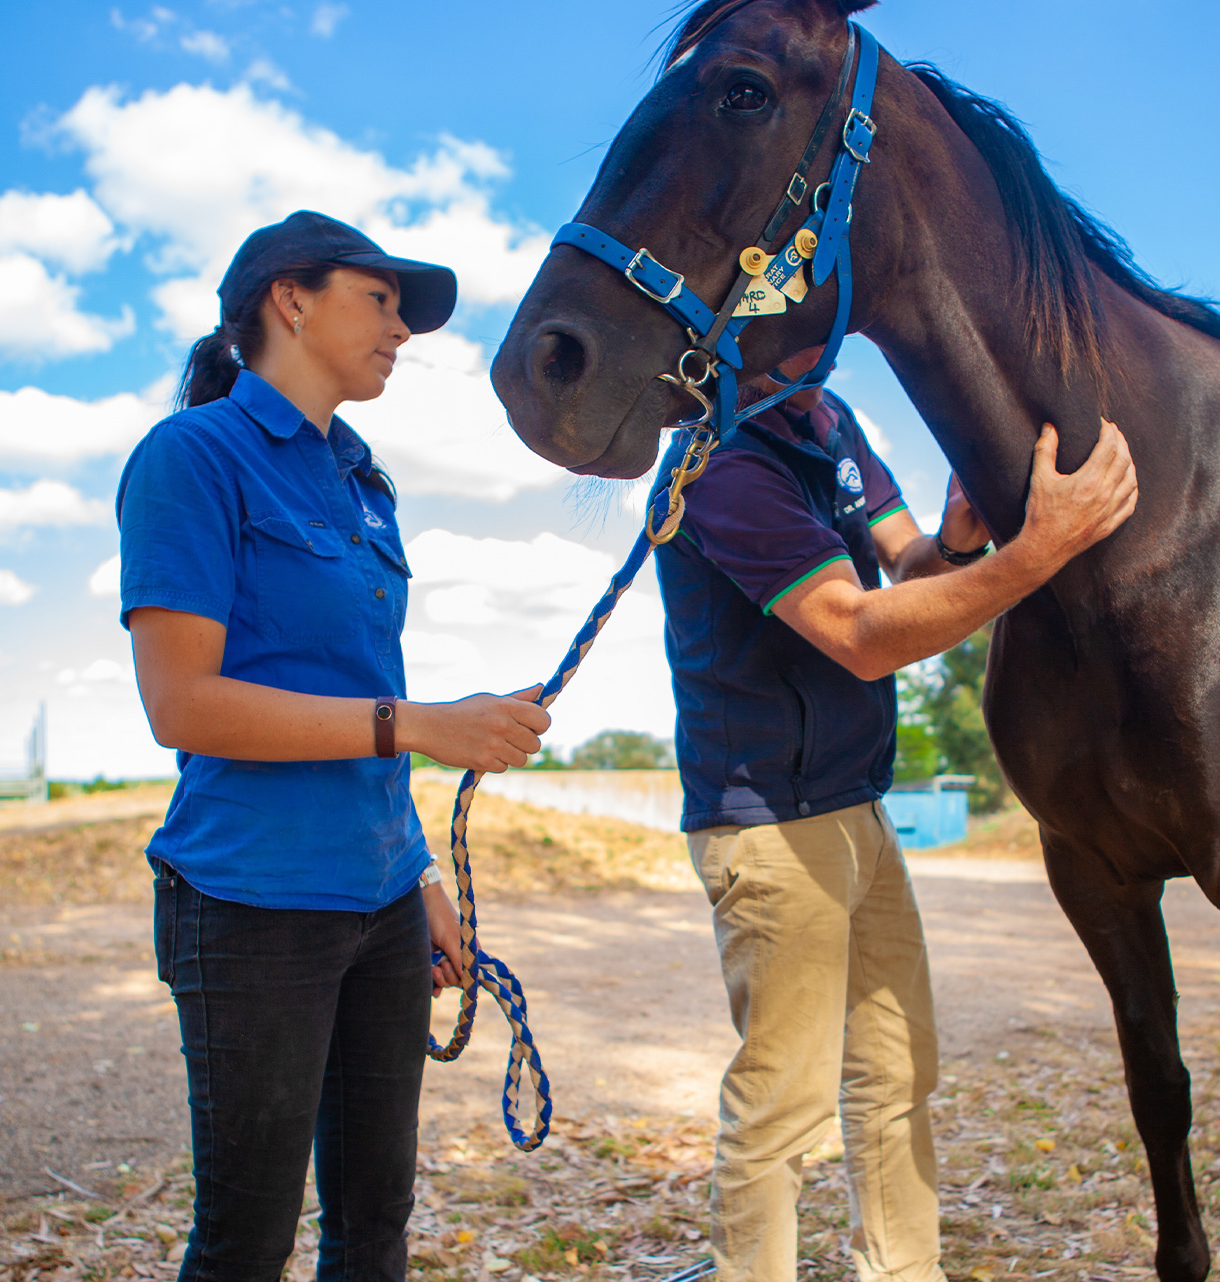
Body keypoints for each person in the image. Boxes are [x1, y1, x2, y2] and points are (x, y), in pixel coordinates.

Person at [116, 210, 551, 1280]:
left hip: (382, 908)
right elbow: (182, 704)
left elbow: (358, 699)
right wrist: (425, 724)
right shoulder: (191, 457)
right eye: (380, 298)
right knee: (244, 1244)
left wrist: (420, 882)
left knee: (374, 1227)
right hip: (251, 902)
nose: (401, 327)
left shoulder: (363, 481)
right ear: (289, 298)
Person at [653, 344, 1138, 1282]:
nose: (831, 335)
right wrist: (1040, 552)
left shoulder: (829, 422)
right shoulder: (719, 466)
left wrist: (960, 542)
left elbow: (907, 563)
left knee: (897, 1075)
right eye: (811, 315)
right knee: (783, 1105)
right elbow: (857, 634)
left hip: (856, 805)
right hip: (770, 822)